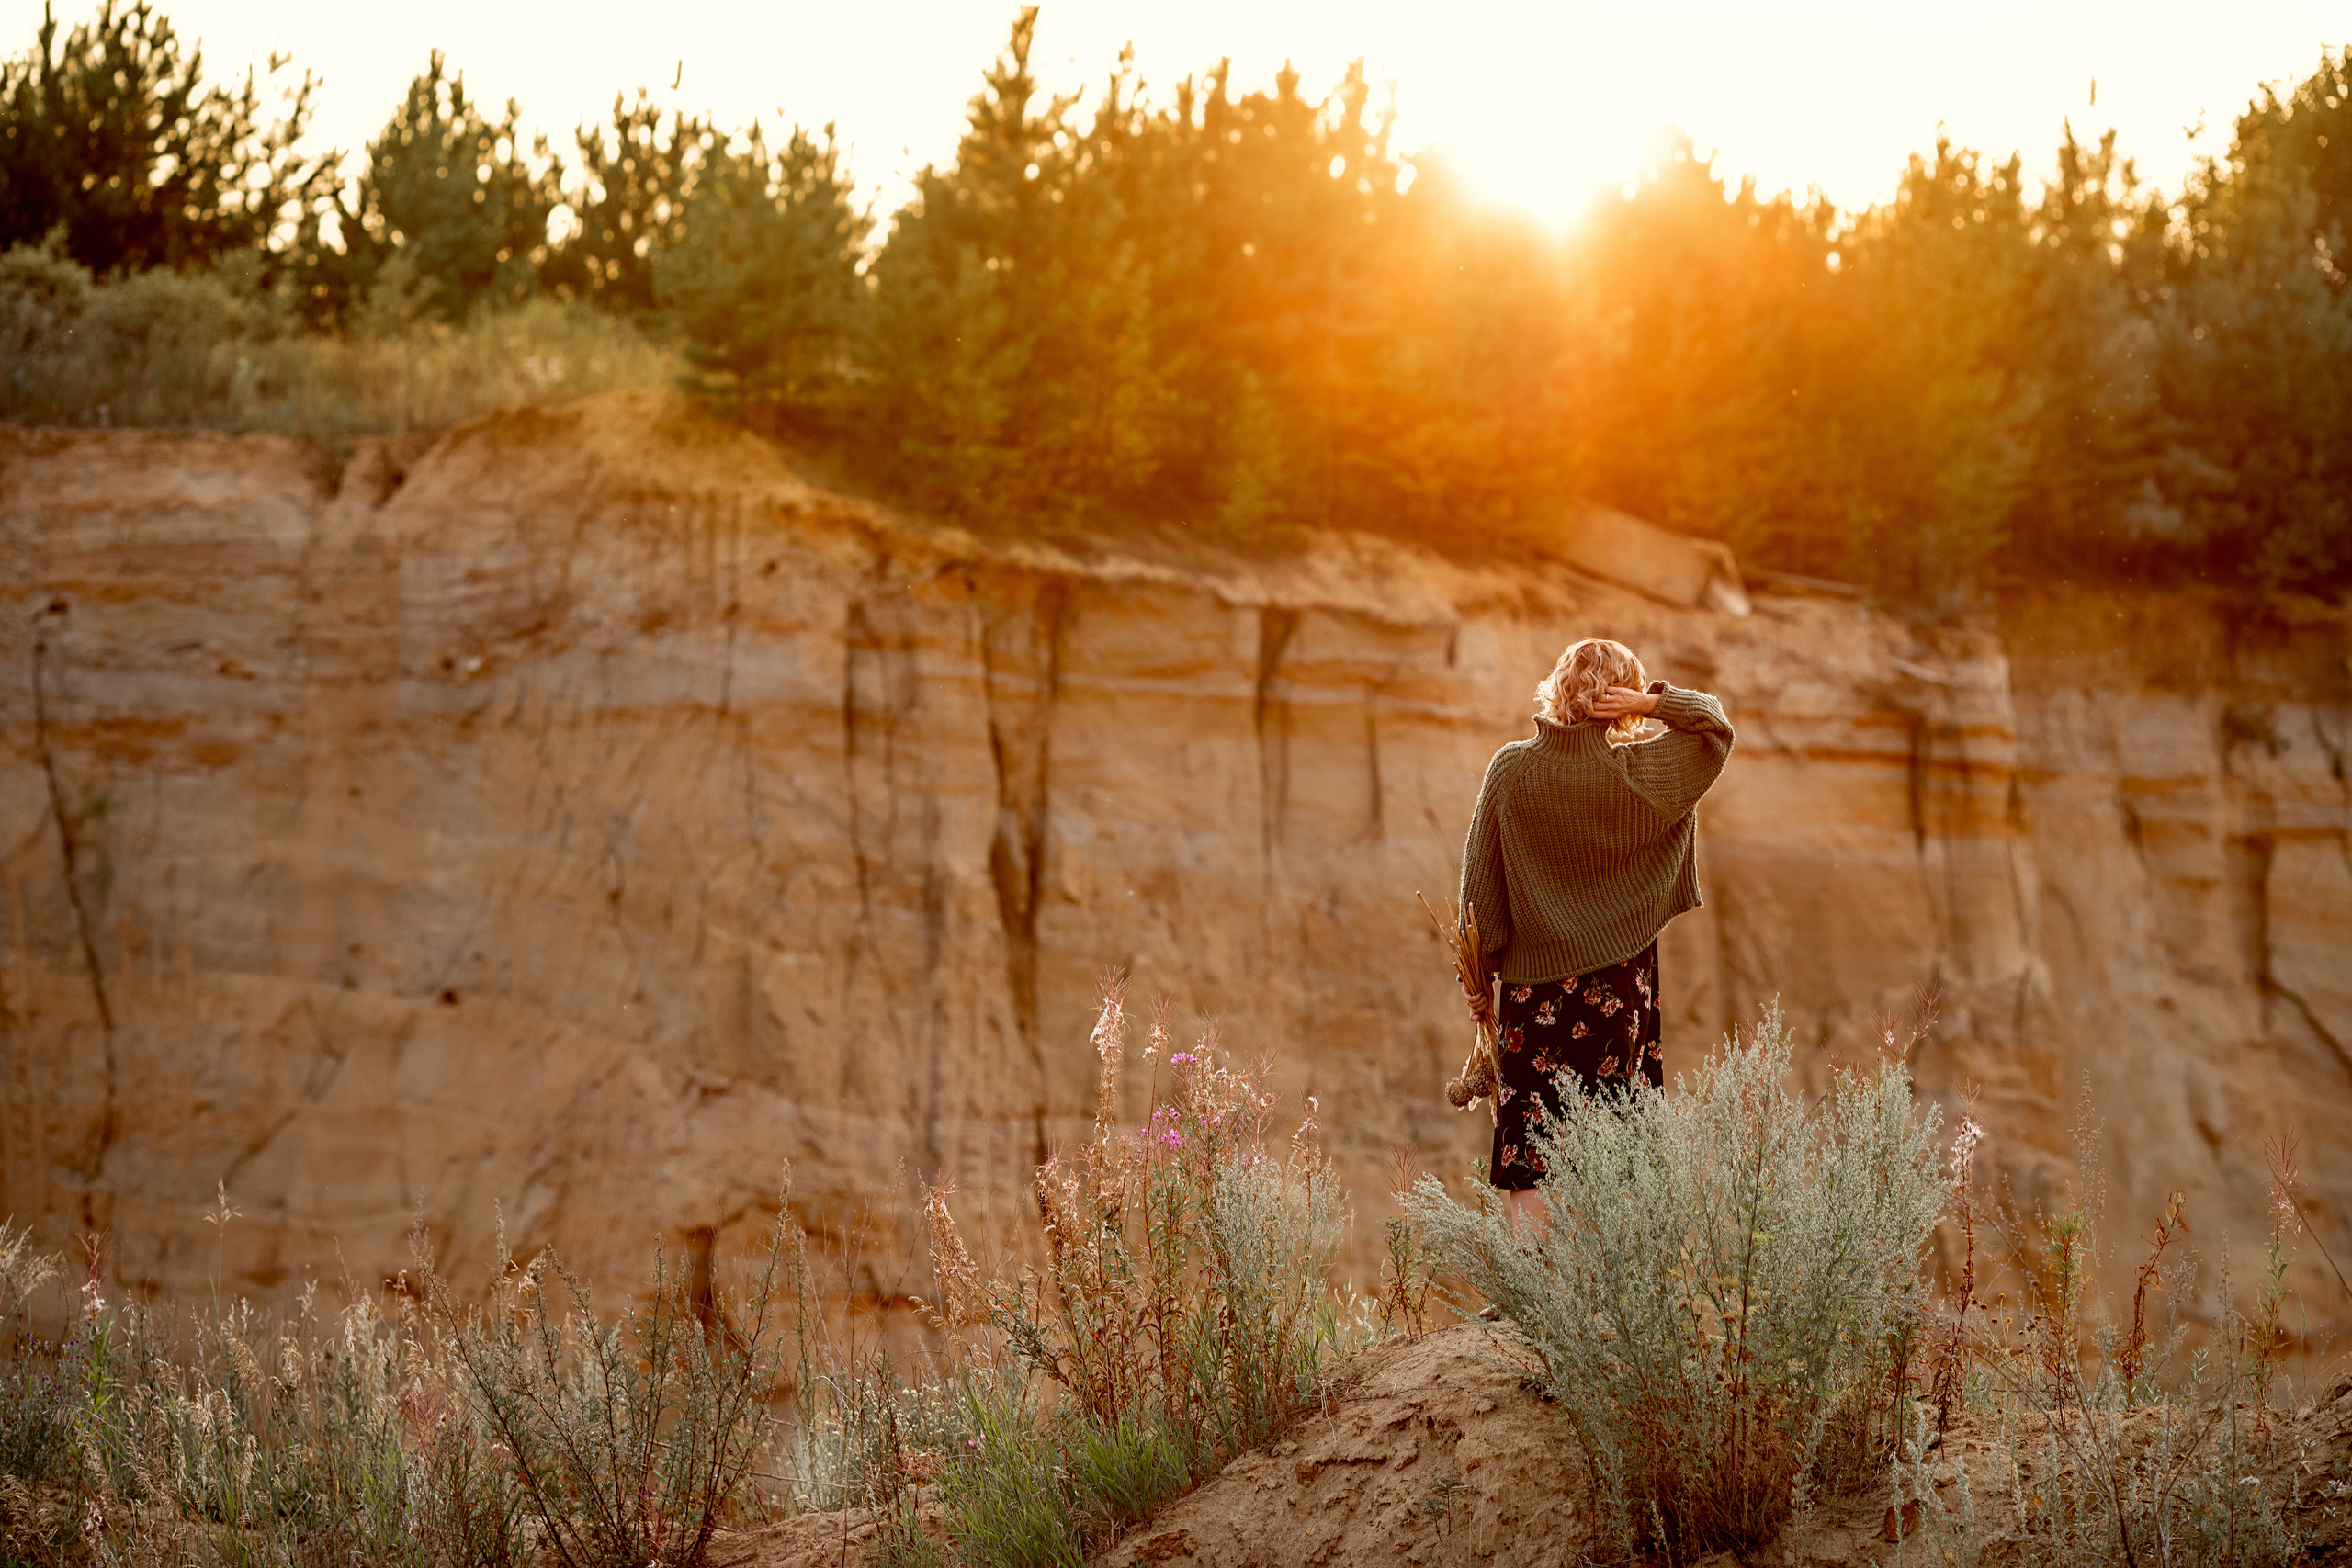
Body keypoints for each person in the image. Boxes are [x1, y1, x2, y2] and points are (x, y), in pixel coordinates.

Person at [1455, 637, 1735, 1225]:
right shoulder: (1642, 774)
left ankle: (1530, 1293)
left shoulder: (1512, 769)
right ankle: (1597, 1297)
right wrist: (1657, 704)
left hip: (1532, 994)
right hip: (1619, 988)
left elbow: (1479, 897)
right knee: (1613, 1141)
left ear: (1557, 687)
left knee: (1528, 1145)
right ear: (1621, 697)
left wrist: (1477, 980)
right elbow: (1714, 728)